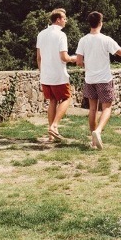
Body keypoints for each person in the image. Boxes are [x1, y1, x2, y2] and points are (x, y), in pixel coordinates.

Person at [75, 11, 121, 150]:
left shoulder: (83, 40)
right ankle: (98, 131)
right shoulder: (106, 39)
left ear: (89, 23)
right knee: (107, 108)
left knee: (92, 109)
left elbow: (79, 62)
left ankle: (93, 141)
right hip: (104, 79)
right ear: (101, 23)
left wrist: (89, 65)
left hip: (90, 79)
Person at [36, 8, 77, 141]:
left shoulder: (41, 34)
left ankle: (51, 135)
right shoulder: (61, 35)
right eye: (64, 18)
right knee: (66, 98)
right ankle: (54, 126)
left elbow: (38, 57)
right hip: (58, 75)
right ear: (58, 19)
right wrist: (75, 58)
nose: (66, 20)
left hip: (45, 75)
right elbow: (64, 57)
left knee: (52, 101)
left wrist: (43, 73)